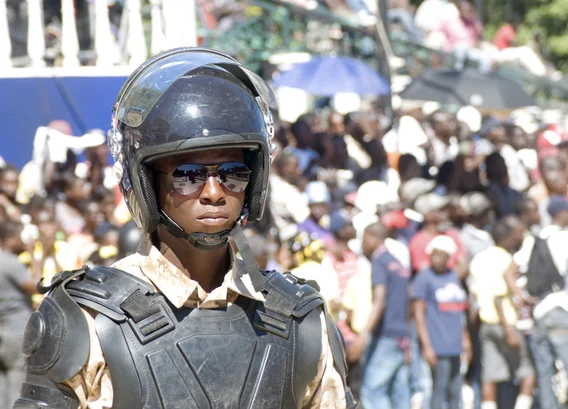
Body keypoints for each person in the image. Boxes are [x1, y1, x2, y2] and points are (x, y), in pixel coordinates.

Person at [14, 48, 358, 409]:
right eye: (188, 176)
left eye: (233, 173)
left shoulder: (300, 318)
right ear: (147, 183)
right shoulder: (89, 318)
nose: (213, 193)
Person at [508, 195, 568, 409]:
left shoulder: (534, 239)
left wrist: (523, 297)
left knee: (545, 375)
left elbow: (509, 273)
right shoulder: (567, 237)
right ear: (560, 213)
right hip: (561, 307)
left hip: (540, 312)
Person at [470, 218, 535, 409]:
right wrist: (509, 330)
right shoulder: (505, 259)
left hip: (486, 325)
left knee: (490, 376)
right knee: (528, 373)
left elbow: (474, 296)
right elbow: (498, 296)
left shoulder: (478, 259)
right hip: (505, 323)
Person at [349, 222, 411, 409]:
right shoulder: (396, 262)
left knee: (372, 392)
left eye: (364, 239)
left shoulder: (379, 261)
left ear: (375, 239)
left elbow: (380, 299)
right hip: (401, 335)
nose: (362, 244)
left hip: (386, 336)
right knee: (399, 393)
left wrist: (363, 335)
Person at [412, 235, 471, 409]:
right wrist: (427, 345)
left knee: (455, 389)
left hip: (455, 343)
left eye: (441, 255)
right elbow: (419, 313)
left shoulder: (453, 276)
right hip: (438, 343)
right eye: (433, 255)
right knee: (439, 387)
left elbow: (459, 312)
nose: (436, 259)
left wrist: (465, 341)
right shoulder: (424, 277)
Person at [0, 221, 39, 409]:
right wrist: (33, 253)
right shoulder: (10, 263)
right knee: (16, 386)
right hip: (17, 332)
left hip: (4, 332)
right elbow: (37, 286)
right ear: (10, 239)